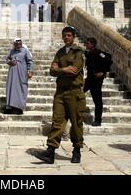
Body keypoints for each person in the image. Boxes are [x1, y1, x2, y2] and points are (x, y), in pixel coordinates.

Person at [33, 26, 85, 164]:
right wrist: (64, 69)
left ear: (73, 36)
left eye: (68, 35)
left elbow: (74, 70)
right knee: (57, 121)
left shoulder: (79, 52)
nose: (66, 38)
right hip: (61, 92)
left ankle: (77, 150)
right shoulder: (60, 52)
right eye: (64, 35)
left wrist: (60, 69)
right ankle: (50, 152)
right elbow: (52, 70)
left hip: (74, 92)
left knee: (76, 123)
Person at [83, 37, 112, 126]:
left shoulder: (99, 52)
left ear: (92, 44)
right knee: (78, 93)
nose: (86, 45)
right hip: (89, 79)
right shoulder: (89, 53)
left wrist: (103, 72)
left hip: (96, 80)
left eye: (87, 43)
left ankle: (98, 120)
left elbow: (109, 60)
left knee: (97, 100)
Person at [4, 38, 34, 115]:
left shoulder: (25, 51)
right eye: (16, 44)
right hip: (12, 73)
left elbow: (30, 61)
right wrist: (9, 62)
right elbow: (6, 59)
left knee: (21, 88)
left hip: (22, 72)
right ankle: (9, 107)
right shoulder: (12, 51)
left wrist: (30, 71)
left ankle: (19, 107)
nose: (18, 45)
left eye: (20, 43)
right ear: (14, 44)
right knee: (11, 88)